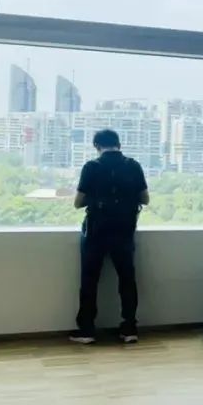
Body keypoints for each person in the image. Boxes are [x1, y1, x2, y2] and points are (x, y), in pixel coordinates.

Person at [70, 129, 149, 345]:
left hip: (97, 230)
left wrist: (97, 198)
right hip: (124, 230)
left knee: (89, 279)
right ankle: (129, 328)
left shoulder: (92, 167)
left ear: (97, 146)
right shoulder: (133, 166)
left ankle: (87, 330)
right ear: (119, 144)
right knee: (127, 279)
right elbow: (145, 198)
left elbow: (78, 203)